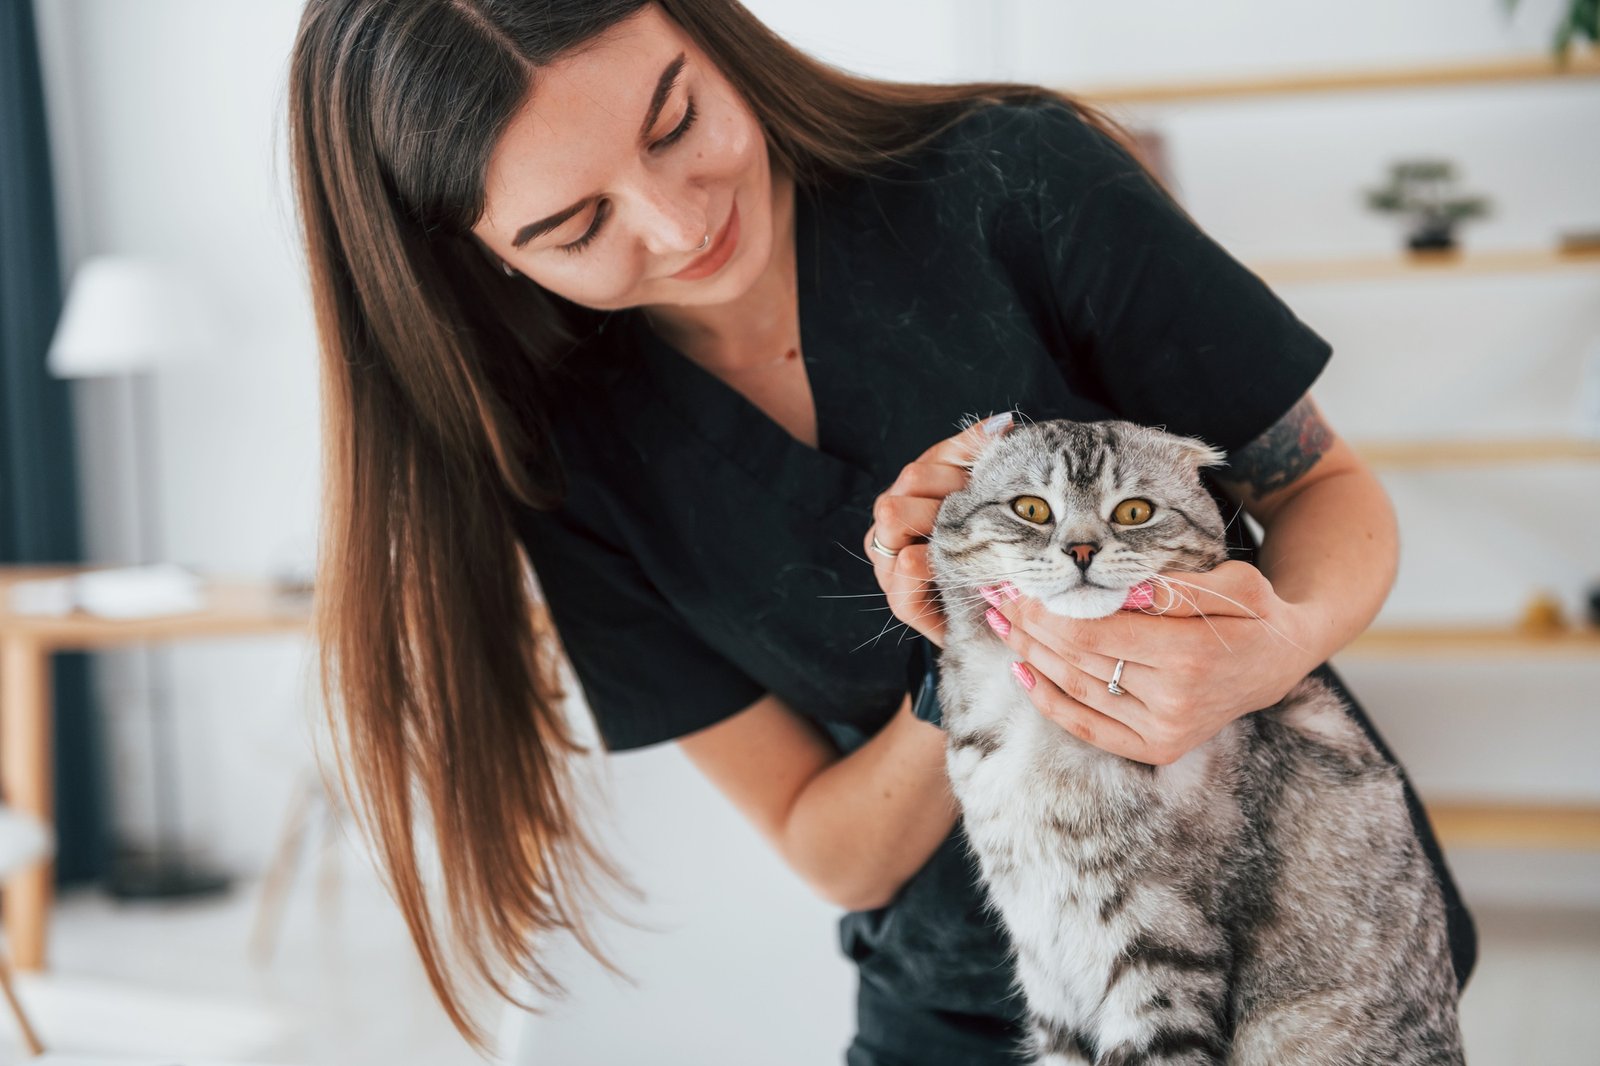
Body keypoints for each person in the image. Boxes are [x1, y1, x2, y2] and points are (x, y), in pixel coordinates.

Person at [287, 1, 1477, 1061]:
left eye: (673, 119)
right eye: (577, 223)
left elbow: (1325, 491)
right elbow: (831, 850)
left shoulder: (1017, 179)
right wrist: (966, 653)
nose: (675, 217)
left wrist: (1275, 642)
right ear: (474, 255)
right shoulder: (564, 456)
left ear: (707, 29)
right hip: (960, 1004)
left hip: (1297, 938)